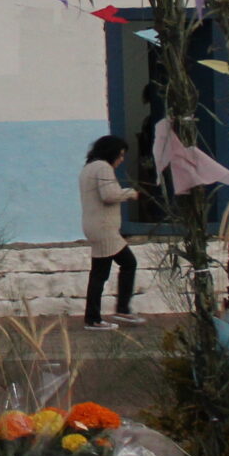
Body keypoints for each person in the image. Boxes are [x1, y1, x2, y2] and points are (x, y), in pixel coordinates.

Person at [79, 135, 145, 329]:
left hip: (94, 226)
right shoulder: (103, 168)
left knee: (100, 273)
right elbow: (109, 195)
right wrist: (132, 193)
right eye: (121, 155)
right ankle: (118, 310)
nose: (121, 159)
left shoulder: (88, 168)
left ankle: (95, 317)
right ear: (112, 153)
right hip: (104, 227)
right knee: (127, 263)